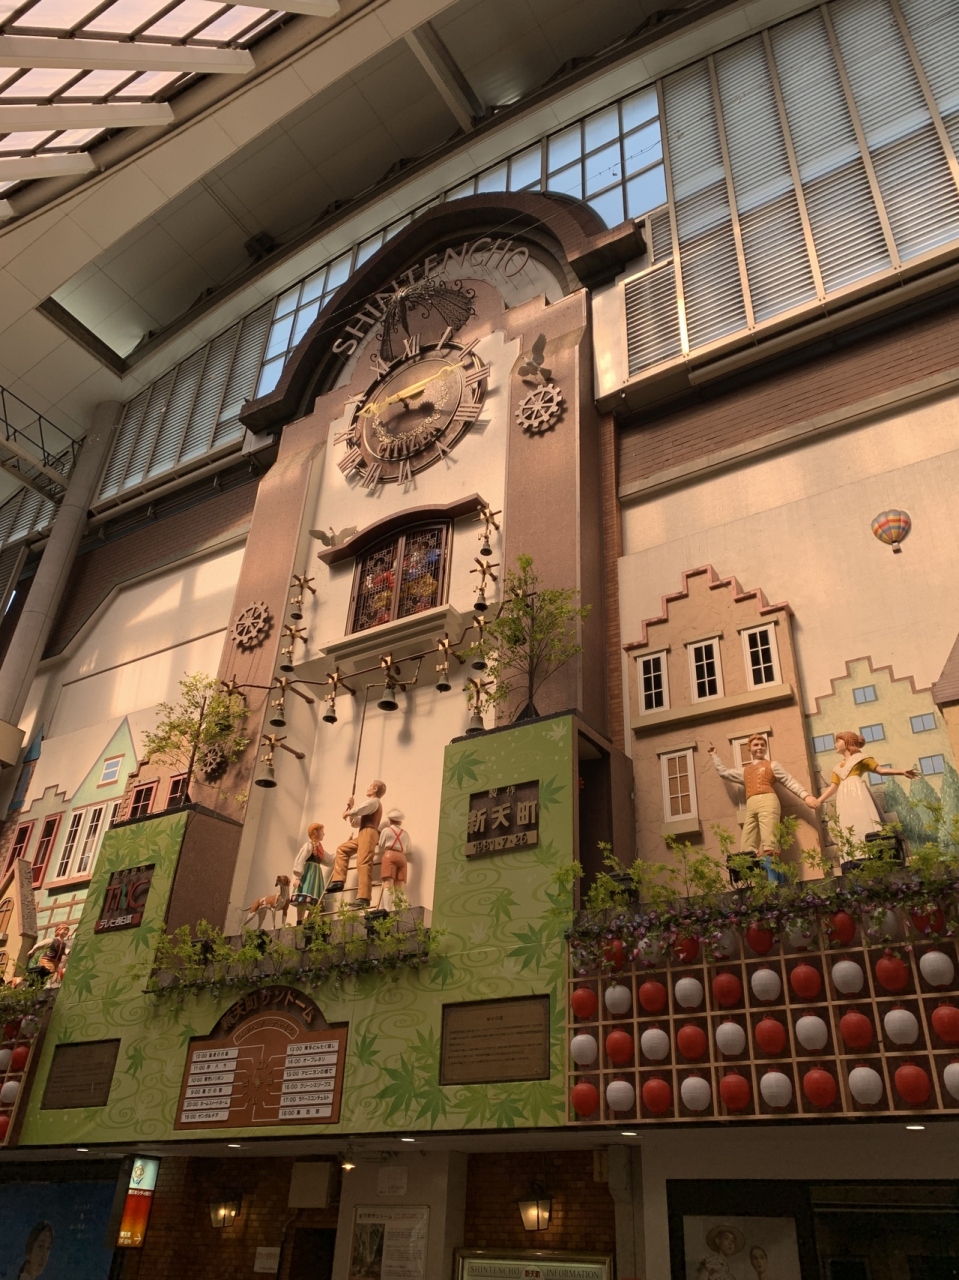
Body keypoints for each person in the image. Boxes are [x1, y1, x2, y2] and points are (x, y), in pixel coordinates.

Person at [707, 735, 817, 881]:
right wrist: (714, 756)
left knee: (769, 839)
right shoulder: (745, 771)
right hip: (751, 805)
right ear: (749, 749)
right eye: (756, 745)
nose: (759, 747)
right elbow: (724, 773)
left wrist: (806, 796)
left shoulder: (773, 765)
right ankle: (757, 872)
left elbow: (789, 781)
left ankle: (775, 878)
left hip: (768, 801)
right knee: (747, 841)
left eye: (762, 745)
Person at [814, 730, 917, 847]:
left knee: (865, 819)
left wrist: (902, 772)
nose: (835, 745)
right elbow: (833, 787)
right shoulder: (837, 768)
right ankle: (854, 849)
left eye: (838, 741)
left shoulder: (861, 758)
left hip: (858, 793)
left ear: (847, 741)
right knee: (848, 823)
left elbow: (881, 770)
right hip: (843, 797)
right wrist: (819, 800)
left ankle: (872, 847)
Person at [327, 781, 387, 909]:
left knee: (363, 862)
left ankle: (364, 897)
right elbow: (356, 822)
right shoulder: (370, 805)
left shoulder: (373, 802)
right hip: (363, 833)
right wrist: (351, 809)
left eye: (370, 786)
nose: (368, 788)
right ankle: (338, 880)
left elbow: (359, 810)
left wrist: (349, 812)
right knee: (342, 849)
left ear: (375, 789)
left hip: (369, 833)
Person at [290, 822, 327, 922]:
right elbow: (300, 859)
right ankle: (300, 920)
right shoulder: (308, 846)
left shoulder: (320, 850)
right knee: (304, 895)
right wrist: (298, 877)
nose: (324, 834)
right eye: (322, 831)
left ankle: (309, 920)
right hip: (308, 874)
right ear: (315, 832)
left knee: (316, 899)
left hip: (316, 876)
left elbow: (330, 860)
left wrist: (340, 852)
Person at [377, 809, 410, 911]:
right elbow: (409, 849)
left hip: (389, 855)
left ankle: (387, 908)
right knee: (400, 886)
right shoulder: (405, 834)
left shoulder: (386, 831)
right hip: (402, 857)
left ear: (390, 821)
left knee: (388, 884)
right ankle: (399, 909)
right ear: (400, 822)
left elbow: (381, 844)